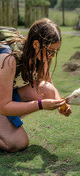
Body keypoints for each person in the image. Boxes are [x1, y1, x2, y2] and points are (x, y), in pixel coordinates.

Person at [0, 18, 72, 152]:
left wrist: (60, 104)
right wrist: (40, 105)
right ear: (36, 44)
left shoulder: (40, 55)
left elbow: (48, 84)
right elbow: (3, 106)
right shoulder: (9, 59)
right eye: (50, 51)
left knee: (47, 90)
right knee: (18, 143)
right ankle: (6, 126)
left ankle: (6, 124)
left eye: (55, 51)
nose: (52, 56)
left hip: (5, 97)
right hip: (2, 104)